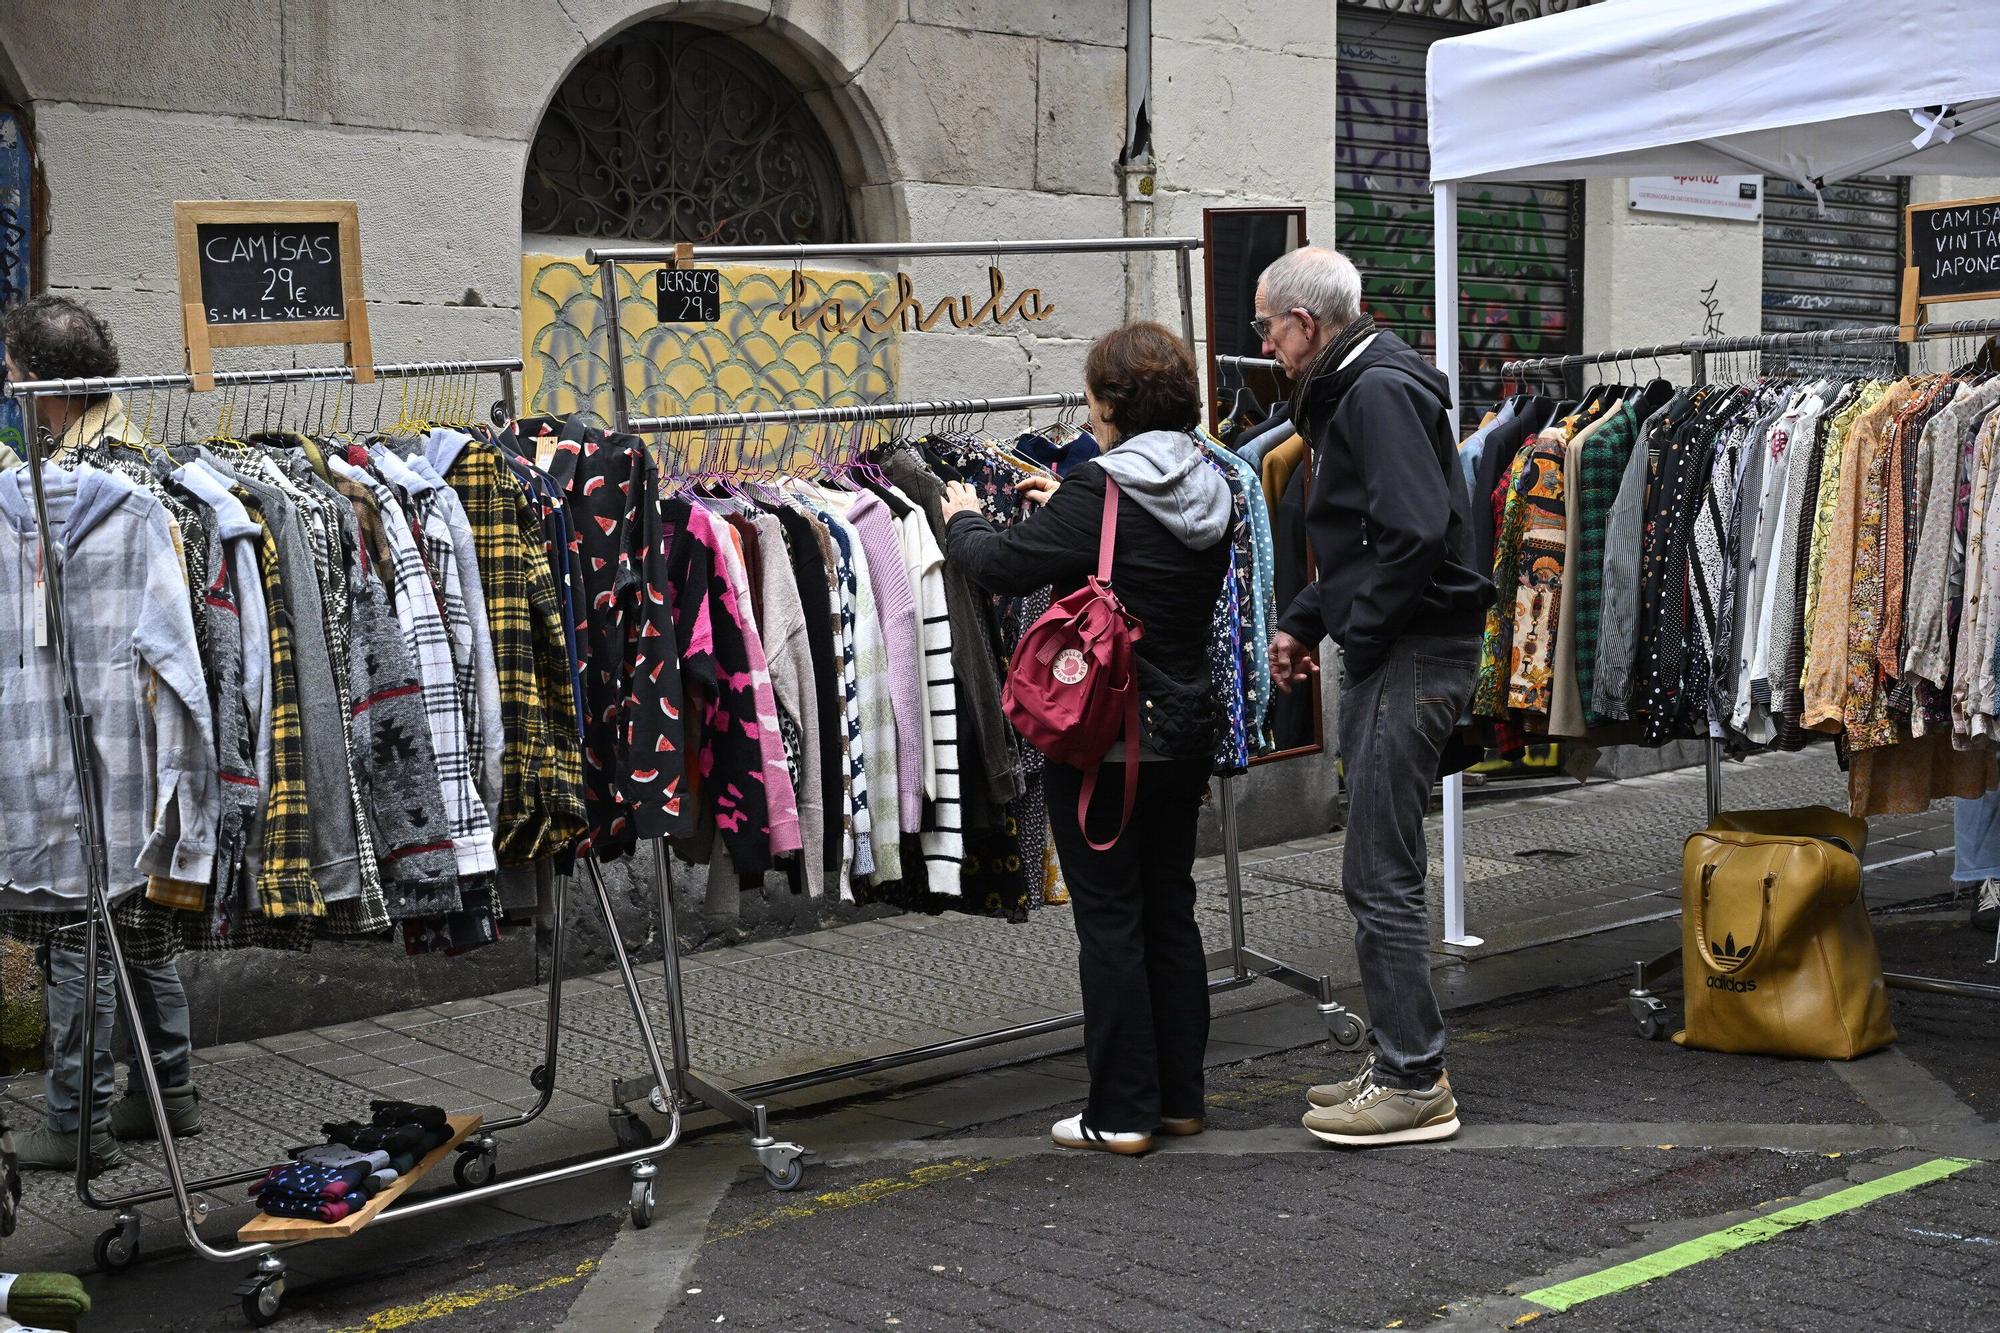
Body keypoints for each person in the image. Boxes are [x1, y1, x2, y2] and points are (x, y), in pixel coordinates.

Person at [942, 322, 1233, 1155]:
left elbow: (1001, 565)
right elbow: (1131, 550)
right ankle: (1179, 1099)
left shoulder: (1099, 491)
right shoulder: (1212, 481)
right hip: (1183, 731)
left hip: (1106, 736)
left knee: (1110, 919)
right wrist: (1066, 503)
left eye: (1095, 400)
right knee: (1170, 908)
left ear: (1112, 404)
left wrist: (959, 518)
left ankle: (1122, 1110)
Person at [1258, 247, 1491, 1147]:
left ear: (1306, 325)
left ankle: (1414, 1079)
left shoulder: (1374, 393)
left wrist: (1356, 626)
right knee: (1377, 863)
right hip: (1403, 643)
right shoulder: (1367, 385)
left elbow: (1414, 531)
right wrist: (1309, 616)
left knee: (1378, 871)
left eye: (1269, 326)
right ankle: (1400, 1055)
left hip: (1409, 650)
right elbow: (1373, 536)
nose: (1266, 343)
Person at [1, 295, 202, 1171]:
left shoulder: (100, 484)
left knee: (84, 933)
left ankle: (72, 1116)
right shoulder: (135, 457)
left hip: (90, 737)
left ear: (42, 385)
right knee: (137, 925)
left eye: (12, 376)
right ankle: (174, 1088)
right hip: (128, 742)